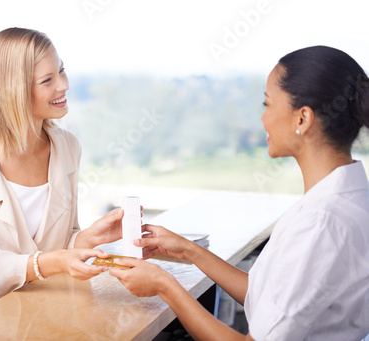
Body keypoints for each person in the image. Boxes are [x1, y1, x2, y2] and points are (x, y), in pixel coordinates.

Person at [110, 46, 369, 341]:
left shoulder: (321, 222)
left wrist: (164, 286)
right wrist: (188, 250)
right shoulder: (346, 197)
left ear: (302, 119)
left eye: (267, 104)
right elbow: (268, 299)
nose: (263, 119)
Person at [0, 27, 123, 323]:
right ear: (14, 89)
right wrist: (53, 262)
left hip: (55, 315)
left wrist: (85, 238)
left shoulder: (67, 148)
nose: (63, 85)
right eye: (47, 80)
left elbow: (60, 243)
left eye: (61, 71)